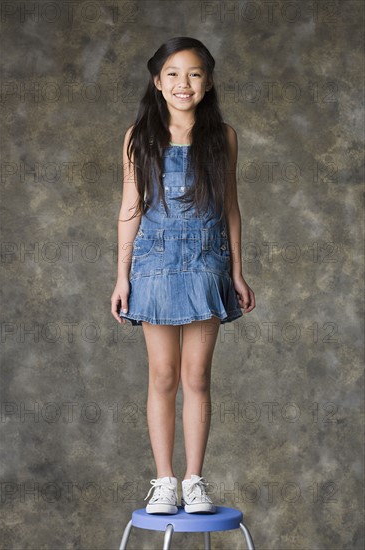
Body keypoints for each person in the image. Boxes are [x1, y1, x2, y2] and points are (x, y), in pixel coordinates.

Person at [111, 36, 255, 515]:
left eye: (194, 74)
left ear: (208, 82)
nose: (183, 83)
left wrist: (236, 270)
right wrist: (122, 277)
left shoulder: (223, 137)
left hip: (206, 264)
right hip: (152, 266)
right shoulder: (139, 137)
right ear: (157, 81)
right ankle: (165, 481)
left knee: (196, 376)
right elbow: (130, 210)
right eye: (172, 74)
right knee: (163, 375)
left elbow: (230, 208)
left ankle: (194, 480)